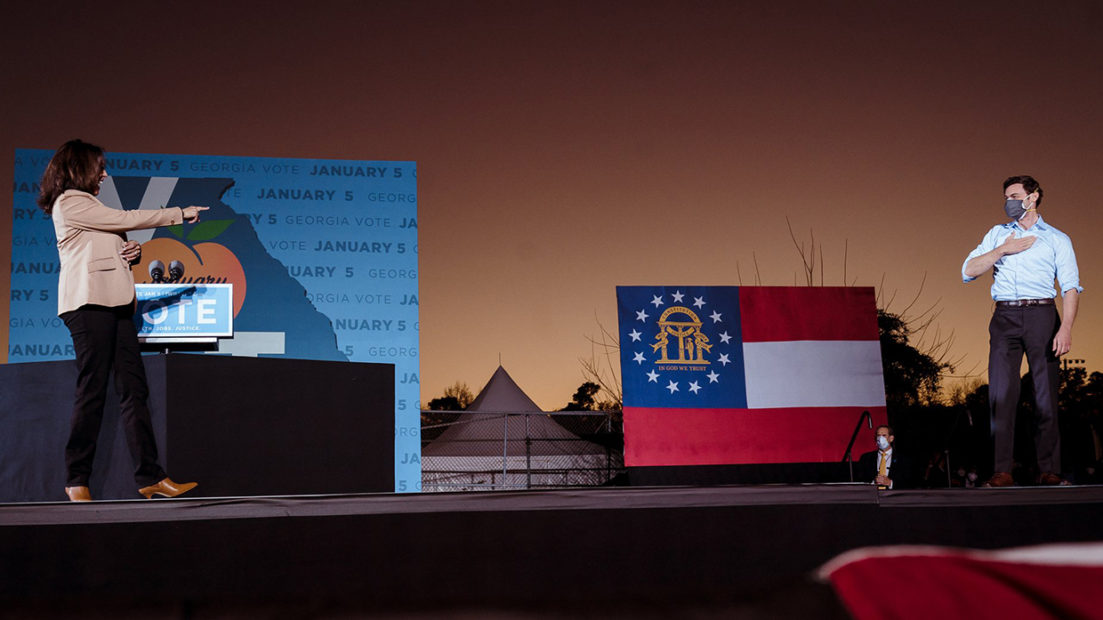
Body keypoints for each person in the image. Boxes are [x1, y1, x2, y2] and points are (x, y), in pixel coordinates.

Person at [37, 139, 208, 501]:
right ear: (78, 168)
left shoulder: (90, 206)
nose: (104, 174)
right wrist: (178, 212)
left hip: (116, 304)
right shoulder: (69, 201)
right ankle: (76, 479)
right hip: (88, 305)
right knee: (93, 391)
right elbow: (124, 219)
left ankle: (150, 477)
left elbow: (106, 241)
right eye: (99, 167)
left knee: (134, 391)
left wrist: (128, 251)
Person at [962, 175, 1081, 487]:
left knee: (1045, 397)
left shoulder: (1057, 239)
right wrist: (1002, 250)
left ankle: (1049, 471)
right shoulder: (997, 234)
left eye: (1015, 195)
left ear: (1034, 197)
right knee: (1001, 396)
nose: (1009, 202)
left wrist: (1065, 327)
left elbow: (1070, 288)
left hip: (1043, 315)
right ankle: (1002, 471)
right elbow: (968, 270)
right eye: (1006, 196)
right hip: (1005, 317)